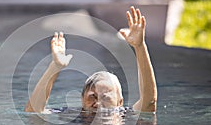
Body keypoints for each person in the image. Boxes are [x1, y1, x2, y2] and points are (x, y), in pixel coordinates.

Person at [25, 6, 157, 114]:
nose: (98, 103)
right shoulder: (75, 115)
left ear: (119, 102)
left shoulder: (123, 114)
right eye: (92, 97)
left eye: (105, 97)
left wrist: (140, 47)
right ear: (82, 101)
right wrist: (55, 67)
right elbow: (33, 111)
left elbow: (149, 103)